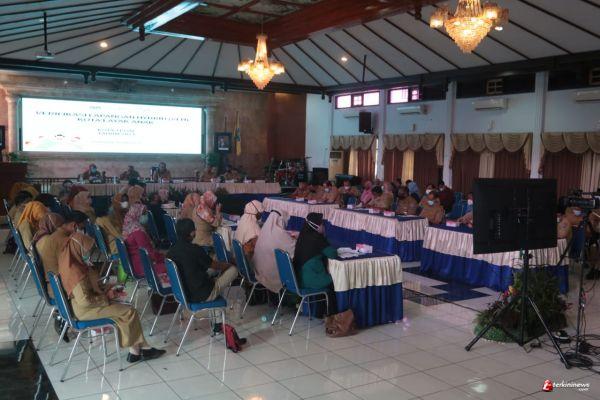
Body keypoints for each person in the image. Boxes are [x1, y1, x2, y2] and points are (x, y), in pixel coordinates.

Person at [58, 231, 165, 363]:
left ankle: (137, 351)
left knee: (126, 309)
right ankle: (138, 350)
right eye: (86, 250)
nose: (88, 254)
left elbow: (88, 289)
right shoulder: (76, 272)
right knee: (128, 312)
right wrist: (106, 298)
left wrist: (108, 288)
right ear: (78, 249)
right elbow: (85, 301)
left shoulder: (72, 264)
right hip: (85, 310)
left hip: (82, 305)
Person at [166, 219, 238, 303]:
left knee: (212, 267)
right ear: (192, 233)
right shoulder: (195, 250)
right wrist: (229, 265)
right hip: (203, 294)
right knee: (233, 270)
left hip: (184, 293)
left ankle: (213, 281)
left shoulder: (171, 251)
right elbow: (215, 265)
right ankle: (215, 287)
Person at [293, 213, 337, 317]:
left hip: (298, 278)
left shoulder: (302, 235)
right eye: (322, 224)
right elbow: (333, 254)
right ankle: (332, 316)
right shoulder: (316, 238)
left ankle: (318, 311)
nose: (323, 226)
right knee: (336, 280)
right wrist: (324, 236)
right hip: (310, 280)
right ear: (316, 226)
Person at [36, 211, 87, 298]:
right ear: (74, 226)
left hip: (54, 285)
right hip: (60, 289)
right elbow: (73, 267)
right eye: (82, 228)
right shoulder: (63, 240)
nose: (82, 232)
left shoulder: (56, 236)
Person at [252, 210, 295, 293]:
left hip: (258, 271)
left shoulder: (264, 230)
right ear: (281, 220)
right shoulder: (280, 234)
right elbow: (294, 248)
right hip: (270, 276)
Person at [123, 203, 167, 277]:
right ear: (137, 214)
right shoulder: (138, 232)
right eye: (143, 214)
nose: (146, 216)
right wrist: (164, 256)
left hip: (134, 264)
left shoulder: (127, 228)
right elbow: (149, 254)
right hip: (144, 267)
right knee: (174, 267)